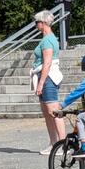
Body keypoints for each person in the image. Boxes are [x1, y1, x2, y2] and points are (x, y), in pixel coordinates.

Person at [30, 10, 65, 155]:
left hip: (48, 78)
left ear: (43, 23)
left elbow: (48, 62)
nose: (36, 25)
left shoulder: (48, 40)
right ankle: (53, 143)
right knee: (47, 113)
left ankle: (63, 144)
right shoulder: (46, 39)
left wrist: (41, 83)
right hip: (44, 77)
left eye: (37, 22)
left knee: (54, 112)